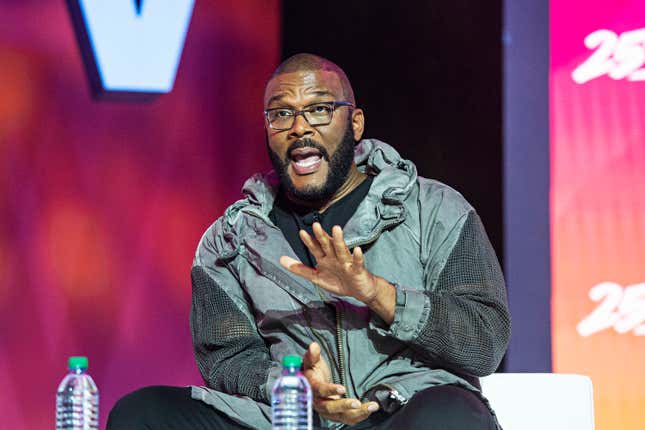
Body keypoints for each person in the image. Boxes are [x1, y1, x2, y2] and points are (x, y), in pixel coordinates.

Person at [107, 53, 511, 429]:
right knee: (142, 414)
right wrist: (292, 386)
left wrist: (375, 293)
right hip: (291, 419)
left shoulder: (434, 209)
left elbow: (483, 343)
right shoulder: (228, 241)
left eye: (319, 109)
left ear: (354, 124)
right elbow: (228, 359)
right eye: (282, 114)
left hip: (402, 411)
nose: (299, 128)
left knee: (451, 416)